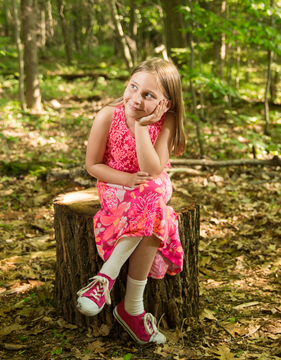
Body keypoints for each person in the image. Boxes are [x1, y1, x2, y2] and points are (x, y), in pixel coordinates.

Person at [76, 58, 186, 345]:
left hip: (150, 182)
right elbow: (92, 165)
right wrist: (125, 181)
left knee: (151, 196)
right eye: (133, 88)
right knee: (156, 212)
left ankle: (105, 279)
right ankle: (132, 309)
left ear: (166, 103)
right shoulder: (107, 115)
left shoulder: (167, 120)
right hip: (115, 183)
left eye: (148, 95)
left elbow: (153, 170)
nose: (136, 99)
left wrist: (140, 128)